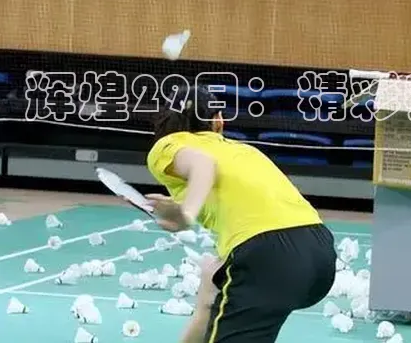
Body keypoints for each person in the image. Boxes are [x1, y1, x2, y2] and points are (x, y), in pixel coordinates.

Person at [144, 85, 336, 343]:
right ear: (218, 121)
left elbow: (203, 165)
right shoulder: (244, 150)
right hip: (319, 254)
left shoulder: (168, 145)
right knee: (211, 296)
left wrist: (186, 213)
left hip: (267, 256)